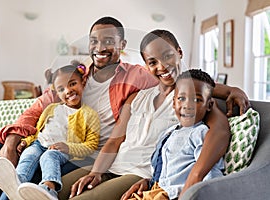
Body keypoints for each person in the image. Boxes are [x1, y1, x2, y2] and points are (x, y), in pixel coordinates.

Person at [0, 16, 158, 200]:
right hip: (45, 141)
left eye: (108, 41)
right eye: (94, 41)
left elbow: (171, 88)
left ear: (122, 44)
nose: (99, 48)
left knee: (40, 171)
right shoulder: (74, 74)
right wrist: (12, 141)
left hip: (85, 154)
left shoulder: (137, 76)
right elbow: (38, 107)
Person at [63, 30, 250, 200]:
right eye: (153, 62)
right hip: (112, 165)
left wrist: (233, 91)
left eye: (168, 56)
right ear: (146, 65)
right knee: (55, 190)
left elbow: (220, 131)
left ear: (179, 53)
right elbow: (114, 141)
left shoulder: (190, 101)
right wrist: (96, 172)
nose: (162, 66)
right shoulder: (137, 97)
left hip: (138, 174)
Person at [0, 62, 100, 200]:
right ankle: (16, 183)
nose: (68, 91)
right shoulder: (51, 108)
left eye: (72, 84)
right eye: (61, 89)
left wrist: (68, 147)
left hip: (61, 150)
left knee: (48, 157)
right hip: (39, 144)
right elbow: (39, 131)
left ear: (83, 83)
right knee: (28, 156)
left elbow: (91, 146)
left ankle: (49, 189)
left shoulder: (90, 114)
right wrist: (26, 142)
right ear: (57, 92)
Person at [129, 69, 224, 200]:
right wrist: (148, 181)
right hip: (153, 190)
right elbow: (163, 168)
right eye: (181, 98)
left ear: (209, 105)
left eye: (197, 100)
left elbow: (211, 174)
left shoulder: (200, 133)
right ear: (174, 102)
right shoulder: (168, 132)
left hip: (172, 194)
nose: (187, 105)